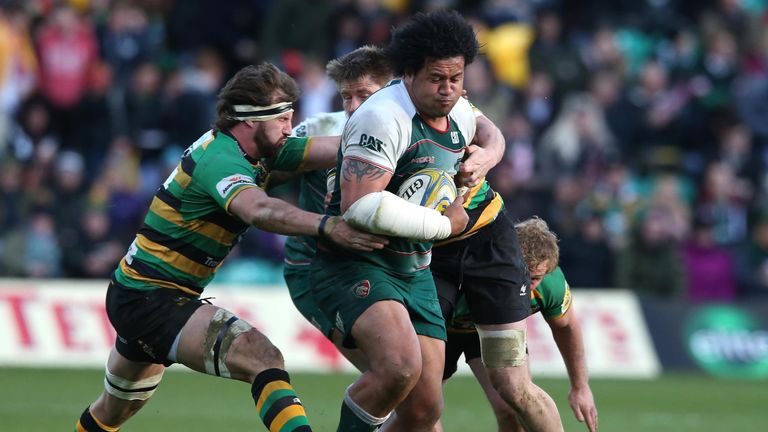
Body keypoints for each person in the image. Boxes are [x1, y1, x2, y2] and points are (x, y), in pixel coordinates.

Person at [74, 63, 389, 432]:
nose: (291, 127)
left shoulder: (261, 149)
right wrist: (327, 225)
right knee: (262, 357)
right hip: (151, 299)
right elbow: (259, 209)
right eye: (285, 118)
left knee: (112, 412)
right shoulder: (221, 160)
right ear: (252, 120)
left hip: (143, 293)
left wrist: (414, 134)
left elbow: (341, 149)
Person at [310, 10, 481, 431]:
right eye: (436, 79)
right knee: (399, 367)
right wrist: (446, 225)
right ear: (408, 73)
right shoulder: (382, 116)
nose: (447, 90)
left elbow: (482, 135)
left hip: (414, 266)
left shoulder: (460, 113)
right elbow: (361, 207)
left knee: (425, 410)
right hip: (356, 261)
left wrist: (484, 162)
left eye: (456, 79)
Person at [282, 45, 394, 371]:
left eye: (364, 94)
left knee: (411, 391)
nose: (353, 106)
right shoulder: (319, 129)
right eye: (347, 97)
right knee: (390, 378)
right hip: (315, 268)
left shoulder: (411, 129)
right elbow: (261, 168)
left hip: (382, 267)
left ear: (391, 91)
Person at [439, 217, 598, 432]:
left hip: (491, 330)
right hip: (443, 331)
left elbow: (567, 327)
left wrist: (580, 387)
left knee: (512, 404)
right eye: (520, 274)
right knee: (425, 410)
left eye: (534, 278)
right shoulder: (470, 274)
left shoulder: (550, 284)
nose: (526, 285)